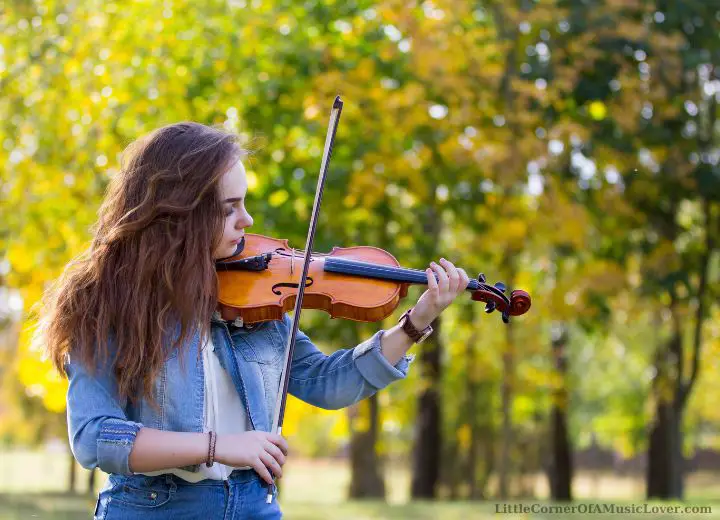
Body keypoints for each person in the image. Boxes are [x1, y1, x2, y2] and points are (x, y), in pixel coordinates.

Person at [36, 122, 470, 519]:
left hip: (252, 505)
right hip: (154, 508)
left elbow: (326, 381)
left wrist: (416, 322)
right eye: (229, 208)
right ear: (181, 212)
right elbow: (95, 438)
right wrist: (219, 447)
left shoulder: (256, 298)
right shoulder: (107, 303)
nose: (247, 221)